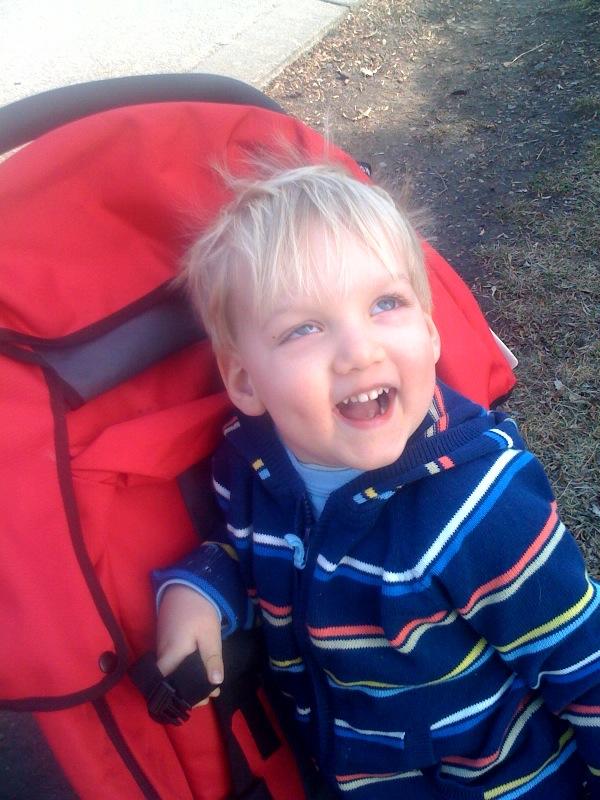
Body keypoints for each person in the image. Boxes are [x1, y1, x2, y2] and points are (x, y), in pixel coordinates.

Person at [153, 156, 600, 799]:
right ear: (244, 381)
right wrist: (200, 589)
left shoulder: (482, 510)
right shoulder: (247, 467)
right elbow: (255, 558)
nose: (359, 351)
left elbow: (582, 662)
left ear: (431, 330)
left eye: (385, 303)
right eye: (304, 328)